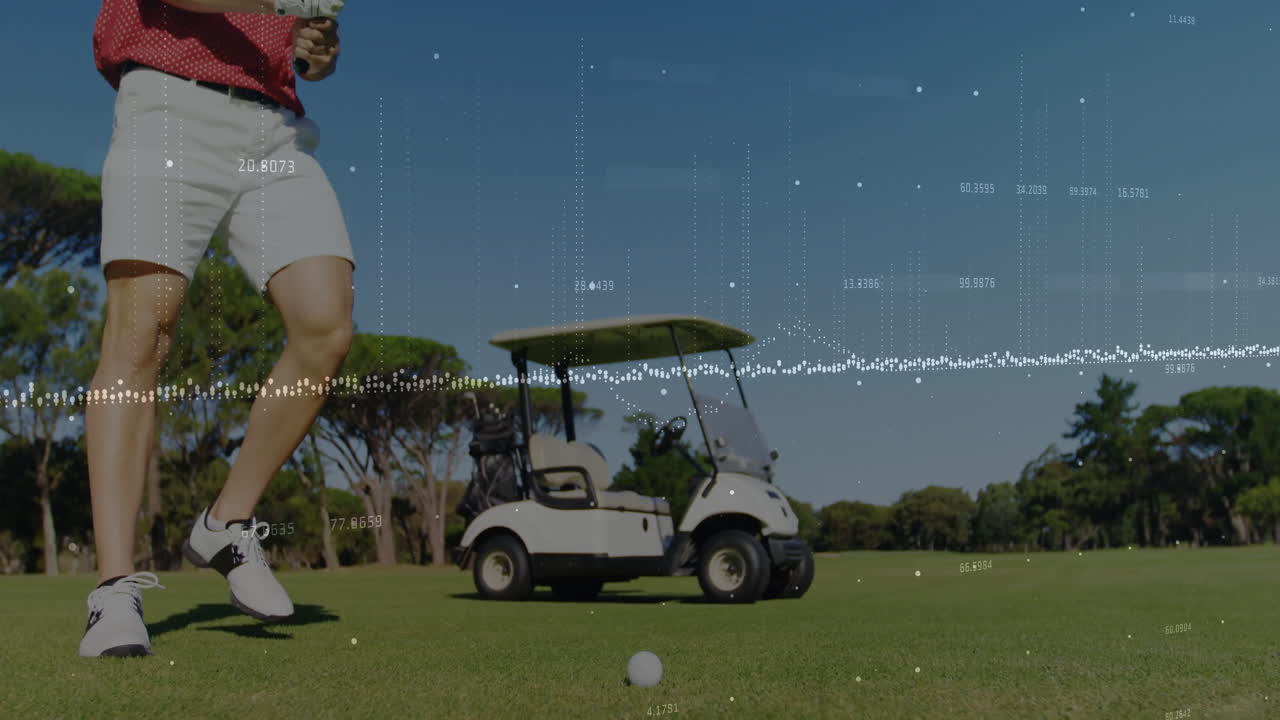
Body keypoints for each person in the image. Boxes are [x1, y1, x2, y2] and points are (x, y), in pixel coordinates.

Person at [81, 0, 353, 658]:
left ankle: (225, 521)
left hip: (274, 129)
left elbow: (309, 54)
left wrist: (315, 44)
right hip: (170, 106)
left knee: (325, 325)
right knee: (142, 334)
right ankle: (115, 591)